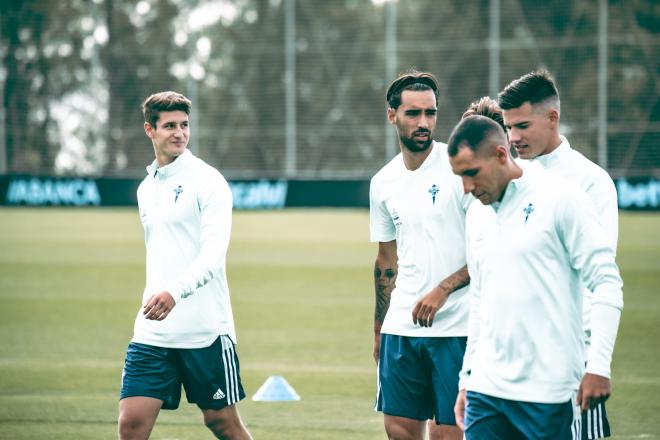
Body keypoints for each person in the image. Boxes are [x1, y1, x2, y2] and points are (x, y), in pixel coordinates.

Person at [449, 115, 623, 439]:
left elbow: (606, 282)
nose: (467, 187)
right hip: (486, 390)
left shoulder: (561, 198)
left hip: (549, 392)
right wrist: (467, 378)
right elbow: (479, 302)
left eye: (472, 173)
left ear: (501, 155)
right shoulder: (476, 215)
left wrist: (598, 365)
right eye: (460, 176)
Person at [117, 91, 252, 440]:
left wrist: (174, 293)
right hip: (153, 329)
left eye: (184, 125)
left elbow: (212, 257)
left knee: (221, 423)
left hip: (204, 330)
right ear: (150, 130)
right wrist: (161, 295)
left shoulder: (208, 182)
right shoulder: (146, 188)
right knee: (131, 424)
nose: (179, 132)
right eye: (169, 126)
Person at [499, 70, 619, 439]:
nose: (514, 137)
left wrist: (595, 361)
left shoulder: (589, 182)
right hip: (510, 361)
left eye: (522, 125)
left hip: (568, 361)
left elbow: (601, 280)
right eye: (508, 127)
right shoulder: (505, 179)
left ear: (552, 118)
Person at [370, 69, 472, 440]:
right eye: (413, 113)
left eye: (430, 113)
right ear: (392, 115)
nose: (424, 122)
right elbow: (385, 262)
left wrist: (443, 290)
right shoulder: (382, 182)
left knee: (450, 434)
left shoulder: (460, 168)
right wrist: (380, 327)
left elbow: (488, 250)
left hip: (457, 328)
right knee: (399, 431)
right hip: (401, 328)